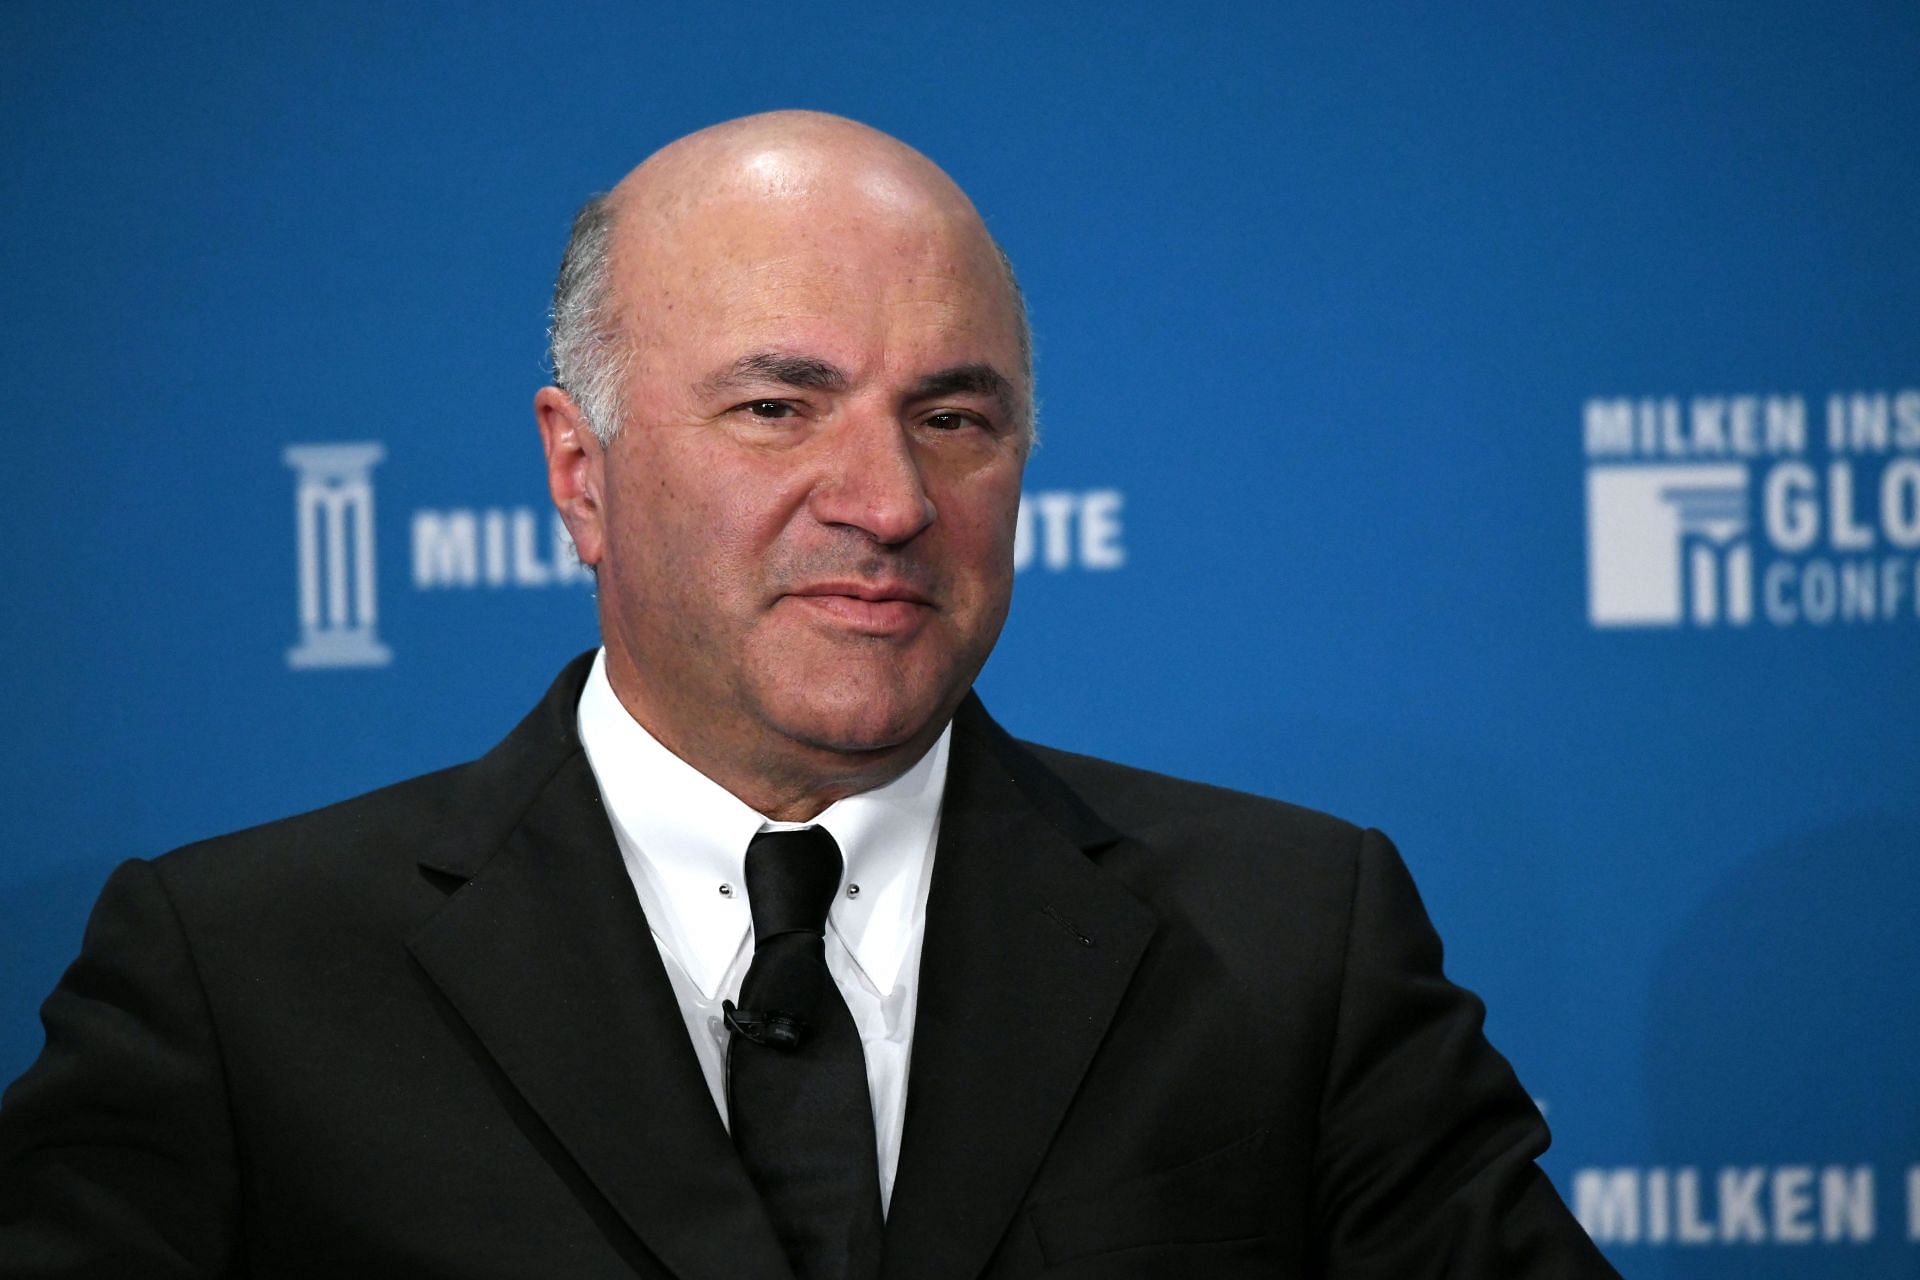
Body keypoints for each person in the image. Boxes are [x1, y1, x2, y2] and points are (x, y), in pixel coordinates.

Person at [0, 111, 1620, 1279]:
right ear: (581, 474)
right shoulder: (239, 979)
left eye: (956, 419)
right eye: (779, 406)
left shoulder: (1292, 939)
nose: (891, 500)